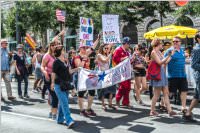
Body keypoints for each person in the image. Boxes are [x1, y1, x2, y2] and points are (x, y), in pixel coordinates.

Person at [149, 38, 177, 116]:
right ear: (157, 44)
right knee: (157, 94)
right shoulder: (153, 52)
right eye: (161, 44)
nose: (162, 45)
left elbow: (165, 63)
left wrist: (171, 55)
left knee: (166, 93)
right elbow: (160, 62)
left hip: (162, 74)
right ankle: (152, 110)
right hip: (158, 75)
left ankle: (170, 111)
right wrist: (168, 55)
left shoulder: (159, 52)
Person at [51, 45, 76, 128]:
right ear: (60, 52)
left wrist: (78, 69)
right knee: (65, 103)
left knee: (63, 103)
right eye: (63, 50)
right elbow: (53, 73)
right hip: (58, 85)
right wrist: (52, 83)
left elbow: (69, 72)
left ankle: (59, 119)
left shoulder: (65, 61)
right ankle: (69, 120)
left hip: (65, 85)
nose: (65, 51)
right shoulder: (56, 62)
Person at [164, 36, 188, 114]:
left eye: (176, 41)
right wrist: (171, 54)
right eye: (173, 41)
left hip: (182, 75)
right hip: (172, 76)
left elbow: (183, 62)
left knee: (184, 91)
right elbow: (164, 62)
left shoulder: (182, 51)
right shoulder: (169, 51)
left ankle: (183, 107)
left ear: (180, 42)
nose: (175, 43)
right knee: (170, 93)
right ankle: (162, 103)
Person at [183, 33, 200, 122]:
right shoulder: (197, 49)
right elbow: (193, 65)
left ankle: (188, 113)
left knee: (197, 96)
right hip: (199, 75)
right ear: (198, 39)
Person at [112, 37, 132, 108]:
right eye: (128, 43)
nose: (129, 45)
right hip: (121, 71)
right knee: (123, 86)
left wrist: (132, 59)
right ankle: (117, 99)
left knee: (128, 87)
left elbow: (129, 61)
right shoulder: (118, 50)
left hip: (127, 71)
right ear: (125, 43)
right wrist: (123, 58)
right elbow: (115, 59)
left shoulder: (127, 51)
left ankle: (126, 102)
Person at [41, 41, 58, 120]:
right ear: (50, 46)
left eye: (55, 45)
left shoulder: (56, 55)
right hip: (48, 77)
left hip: (56, 77)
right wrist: (45, 72)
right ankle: (54, 113)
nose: (54, 46)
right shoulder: (47, 55)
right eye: (52, 45)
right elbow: (42, 66)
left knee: (56, 95)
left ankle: (51, 112)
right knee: (54, 96)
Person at [97, 43, 116, 110]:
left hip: (109, 73)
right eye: (105, 48)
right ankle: (103, 104)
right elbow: (105, 61)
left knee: (111, 89)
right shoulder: (99, 55)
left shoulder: (108, 55)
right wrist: (110, 53)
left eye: (108, 48)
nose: (107, 49)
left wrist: (111, 47)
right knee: (103, 90)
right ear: (102, 48)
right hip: (102, 74)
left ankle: (110, 103)